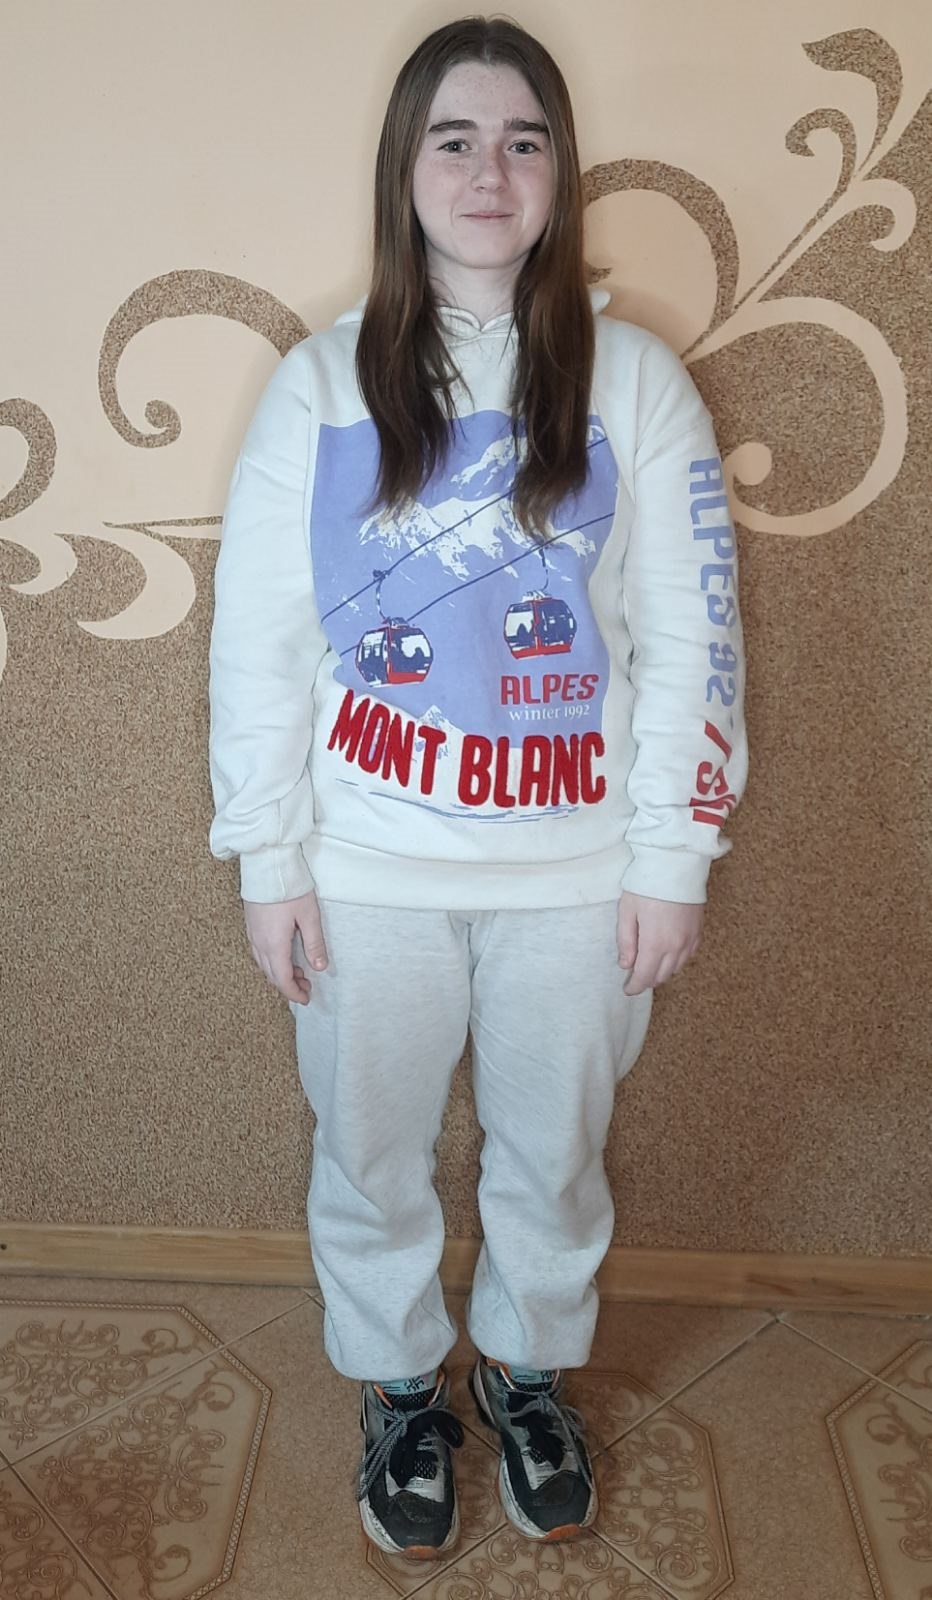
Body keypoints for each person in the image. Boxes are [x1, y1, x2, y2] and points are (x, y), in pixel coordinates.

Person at [208, 15, 746, 1563]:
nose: (489, 172)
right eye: (454, 139)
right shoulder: (320, 385)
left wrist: (674, 856)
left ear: (562, 172)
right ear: (407, 169)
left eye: (523, 140)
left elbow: (695, 635)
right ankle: (397, 1387)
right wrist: (268, 859)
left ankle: (523, 1370)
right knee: (370, 1152)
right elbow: (261, 645)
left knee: (554, 1156)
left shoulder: (636, 382)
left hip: (579, 878)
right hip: (364, 872)